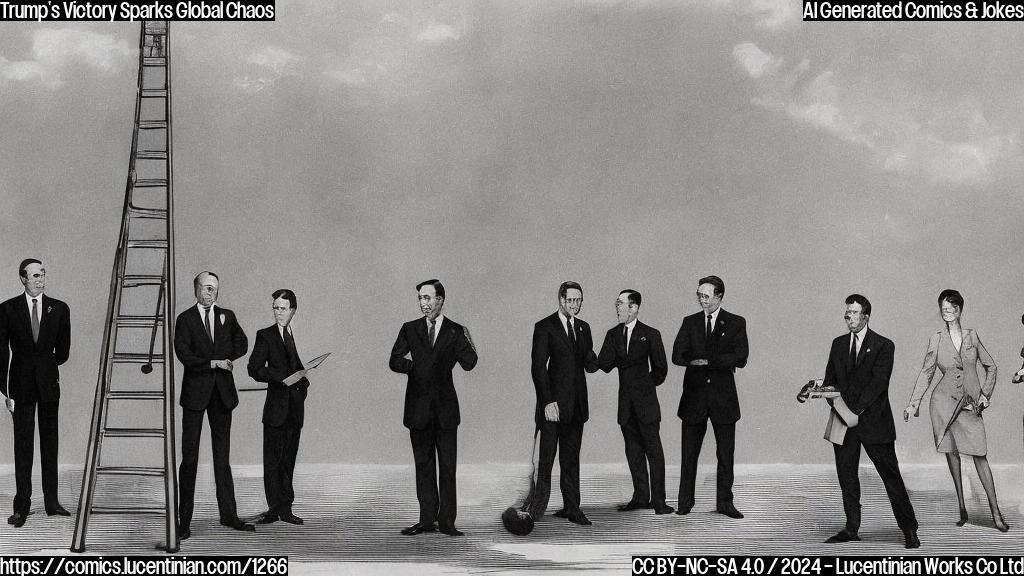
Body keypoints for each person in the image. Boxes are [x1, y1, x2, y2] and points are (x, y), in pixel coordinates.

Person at [819, 294, 919, 548]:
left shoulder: (885, 345)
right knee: (847, 477)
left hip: (874, 423)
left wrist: (854, 411)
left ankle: (909, 529)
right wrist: (817, 391)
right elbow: (831, 378)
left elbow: (878, 384)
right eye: (847, 314)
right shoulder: (838, 344)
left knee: (891, 477)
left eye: (854, 313)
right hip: (843, 421)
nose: (849, 318)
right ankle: (851, 528)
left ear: (866, 316)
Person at [903, 289, 1007, 532]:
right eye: (943, 310)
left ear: (960, 310)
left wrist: (985, 396)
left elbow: (991, 366)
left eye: (951, 309)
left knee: (980, 455)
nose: (946, 313)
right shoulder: (936, 339)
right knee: (952, 454)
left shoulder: (972, 337)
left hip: (970, 405)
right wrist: (913, 403)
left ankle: (996, 514)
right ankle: (962, 507)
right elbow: (926, 372)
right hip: (943, 405)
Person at [389, 279, 478, 536]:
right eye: (420, 298)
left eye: (428, 298)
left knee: (448, 469)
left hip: (446, 411)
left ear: (441, 300)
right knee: (424, 467)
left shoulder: (454, 330)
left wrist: (465, 337)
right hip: (418, 410)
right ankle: (426, 520)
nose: (423, 303)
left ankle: (447, 522)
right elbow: (394, 360)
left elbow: (470, 363)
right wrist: (415, 369)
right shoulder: (409, 328)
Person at [174, 271, 253, 540]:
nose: (212, 293)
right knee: (190, 459)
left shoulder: (227, 316)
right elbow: (184, 354)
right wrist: (213, 363)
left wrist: (226, 357)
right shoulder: (184, 319)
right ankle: (183, 522)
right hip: (195, 397)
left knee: (222, 459)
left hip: (222, 396)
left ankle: (229, 515)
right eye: (207, 288)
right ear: (195, 289)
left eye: (215, 289)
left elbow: (242, 343)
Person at [0, 259, 71, 528]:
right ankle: (22, 506)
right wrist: (6, 391)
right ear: (22, 279)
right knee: (23, 447)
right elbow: (0, 353)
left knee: (50, 444)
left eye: (42, 274)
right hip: (20, 387)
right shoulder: (7, 309)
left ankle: (52, 502)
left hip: (49, 386)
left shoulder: (60, 309)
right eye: (34, 276)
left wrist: (46, 364)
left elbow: (63, 352)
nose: (40, 280)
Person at [672, 275, 747, 519]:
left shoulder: (736, 322)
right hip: (693, 398)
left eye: (706, 296)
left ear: (719, 296)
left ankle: (725, 503)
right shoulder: (689, 322)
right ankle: (685, 502)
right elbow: (677, 355)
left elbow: (742, 357)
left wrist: (708, 360)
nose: (702, 300)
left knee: (725, 455)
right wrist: (713, 360)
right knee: (688, 454)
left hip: (723, 400)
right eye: (699, 295)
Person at [525, 281, 599, 525]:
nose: (574, 305)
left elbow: (589, 363)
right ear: (560, 300)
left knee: (571, 460)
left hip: (576, 406)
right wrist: (547, 402)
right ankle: (535, 512)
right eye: (570, 300)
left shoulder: (584, 328)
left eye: (578, 301)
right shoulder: (544, 327)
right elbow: (538, 368)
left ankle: (572, 508)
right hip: (552, 407)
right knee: (545, 461)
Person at [598, 289, 673, 515]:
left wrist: (644, 389)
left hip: (647, 405)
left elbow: (661, 370)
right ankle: (641, 498)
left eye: (621, 303)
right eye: (617, 303)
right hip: (626, 407)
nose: (617, 307)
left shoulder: (651, 334)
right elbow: (603, 364)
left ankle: (659, 502)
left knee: (654, 453)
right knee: (633, 453)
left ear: (634, 307)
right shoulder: (613, 334)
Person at [248, 289, 309, 526]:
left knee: (288, 460)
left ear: (293, 310)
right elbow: (254, 368)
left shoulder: (290, 334)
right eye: (276, 308)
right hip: (275, 411)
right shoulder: (265, 335)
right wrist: (279, 377)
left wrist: (303, 382)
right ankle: (274, 509)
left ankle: (286, 509)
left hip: (294, 410)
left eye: (283, 309)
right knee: (273, 461)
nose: (278, 313)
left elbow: (296, 366)